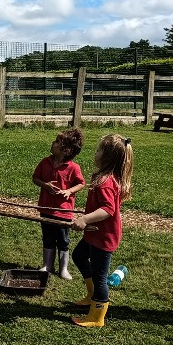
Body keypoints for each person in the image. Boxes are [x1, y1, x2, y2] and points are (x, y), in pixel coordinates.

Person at [70, 134, 133, 329]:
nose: (95, 153)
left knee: (100, 278)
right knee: (79, 255)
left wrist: (85, 219)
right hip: (95, 233)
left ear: (107, 157)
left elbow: (108, 210)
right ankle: (91, 295)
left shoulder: (106, 181)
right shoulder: (102, 178)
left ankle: (97, 316)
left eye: (98, 150)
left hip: (103, 237)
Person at [31, 128, 85, 279]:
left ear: (66, 150)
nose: (52, 143)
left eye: (56, 142)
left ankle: (63, 269)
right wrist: (45, 185)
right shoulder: (45, 162)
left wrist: (69, 191)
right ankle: (47, 265)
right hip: (46, 209)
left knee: (63, 240)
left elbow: (81, 184)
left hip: (63, 211)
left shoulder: (73, 168)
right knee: (47, 237)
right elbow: (35, 178)